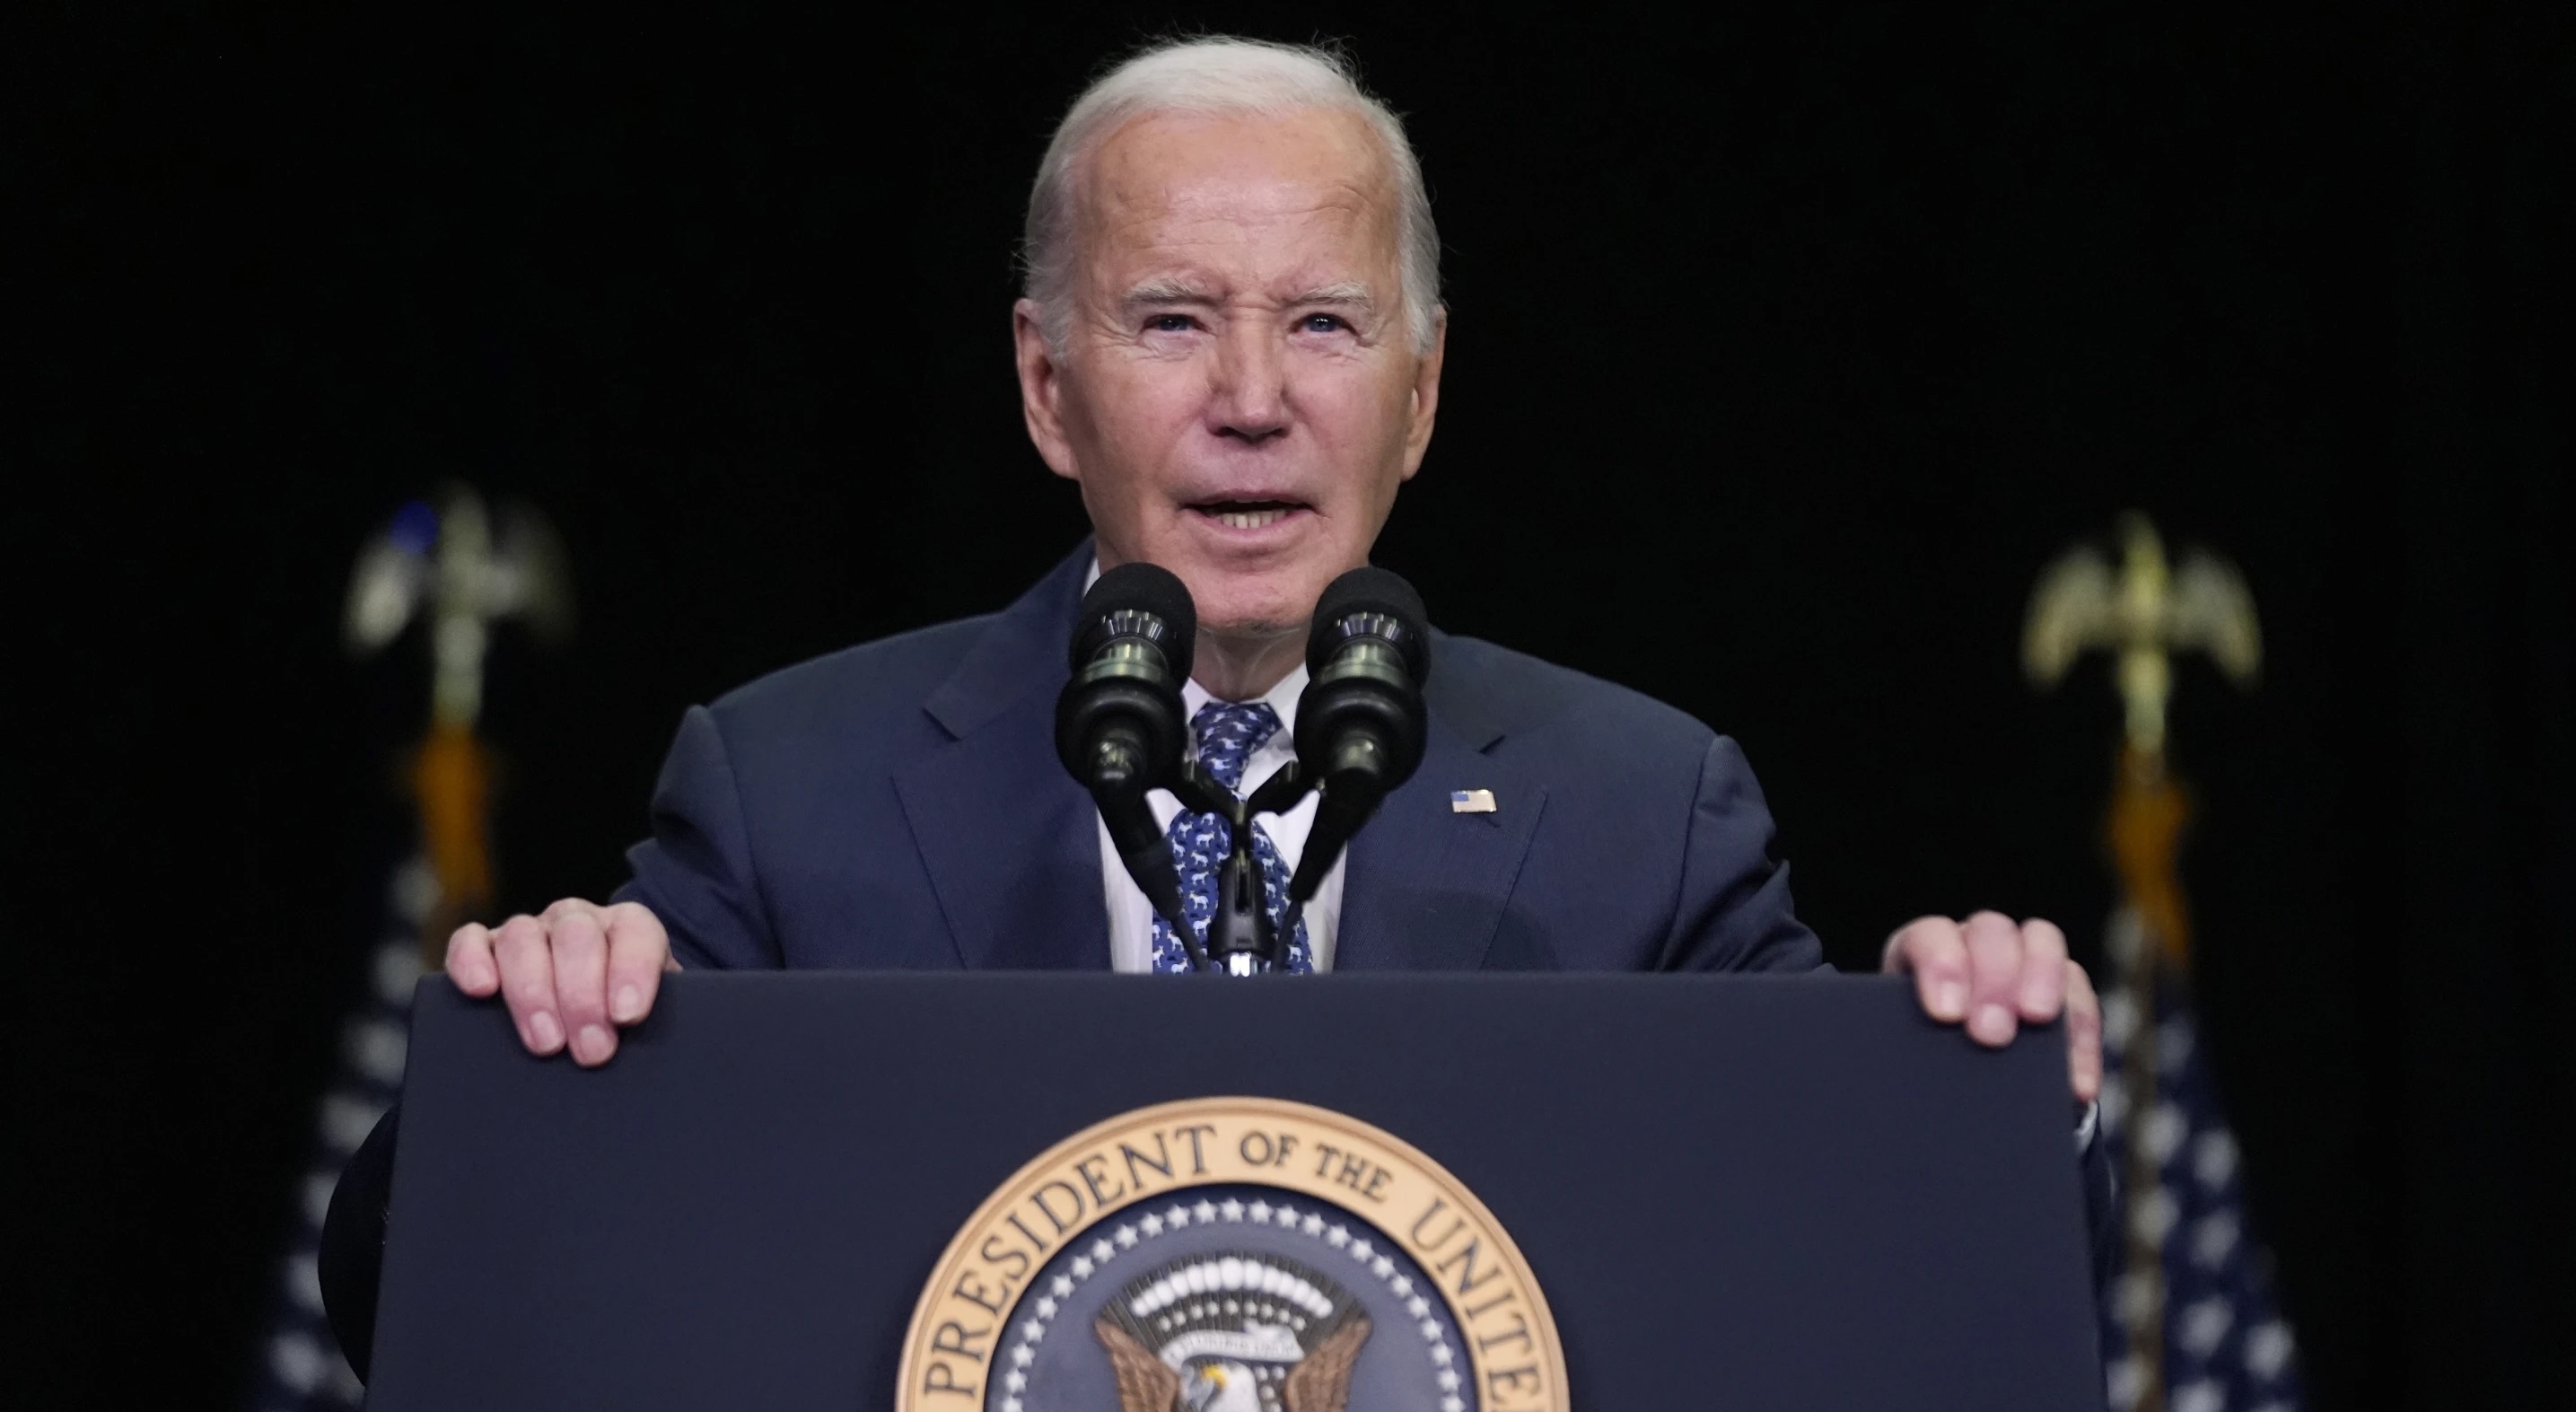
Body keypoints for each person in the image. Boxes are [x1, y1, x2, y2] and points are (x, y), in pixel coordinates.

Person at [329, 39, 2108, 1365]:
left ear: (1417, 400)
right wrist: (533, 1055)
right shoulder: (795, 786)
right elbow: (427, 1283)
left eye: (1325, 326)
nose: (1252, 398)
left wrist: (1996, 1081)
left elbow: (1885, 1282)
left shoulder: (1643, 807)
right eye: (1172, 319)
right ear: (1047, 390)